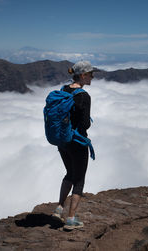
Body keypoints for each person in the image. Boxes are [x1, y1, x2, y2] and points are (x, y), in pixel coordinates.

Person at [52, 61, 95, 230]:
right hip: (77, 142)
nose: (93, 77)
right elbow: (84, 124)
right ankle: (70, 219)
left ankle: (59, 208)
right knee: (79, 180)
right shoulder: (84, 96)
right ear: (83, 75)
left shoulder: (63, 90)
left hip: (62, 141)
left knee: (69, 173)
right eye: (91, 74)